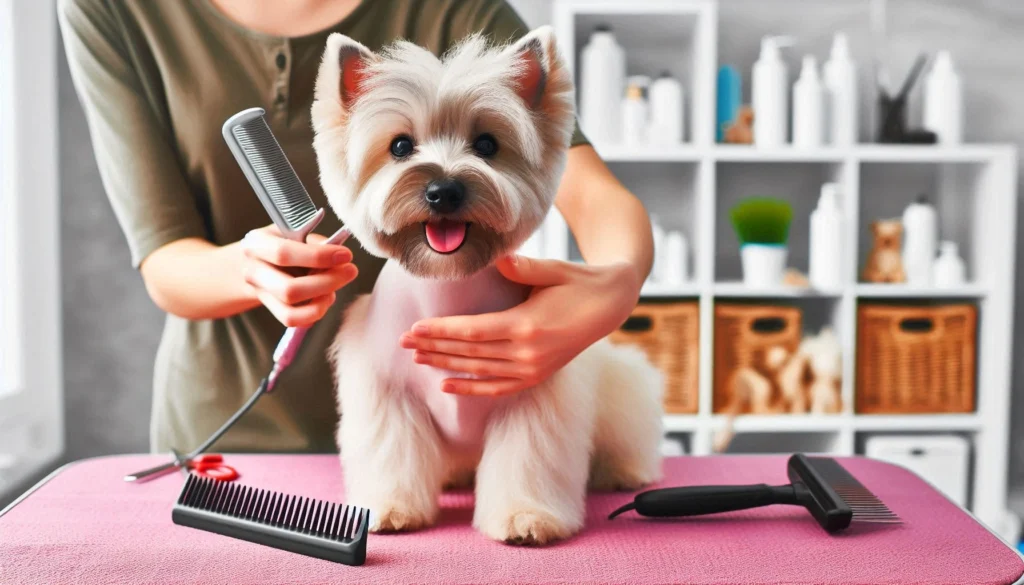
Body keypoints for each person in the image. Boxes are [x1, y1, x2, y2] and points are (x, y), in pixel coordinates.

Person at [59, 0, 654, 454]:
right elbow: (164, 257)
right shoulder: (115, 9)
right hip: (235, 434)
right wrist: (252, 270)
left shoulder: (454, 10)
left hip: (445, 440)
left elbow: (596, 197)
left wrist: (616, 285)